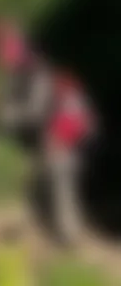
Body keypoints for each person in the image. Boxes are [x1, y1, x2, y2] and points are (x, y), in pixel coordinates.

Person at [42, 71, 95, 245]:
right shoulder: (77, 103)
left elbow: (67, 129)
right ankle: (73, 230)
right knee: (68, 194)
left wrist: (56, 143)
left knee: (63, 195)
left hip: (63, 154)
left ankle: (68, 235)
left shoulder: (69, 104)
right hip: (71, 155)